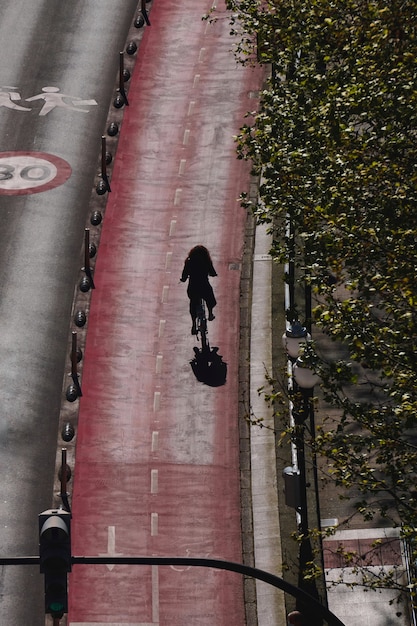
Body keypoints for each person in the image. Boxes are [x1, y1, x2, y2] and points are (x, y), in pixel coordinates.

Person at [180, 245, 217, 334]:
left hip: (193, 287)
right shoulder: (206, 260)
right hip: (204, 285)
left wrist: (183, 279)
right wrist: (213, 274)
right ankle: (210, 314)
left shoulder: (189, 261)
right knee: (210, 299)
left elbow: (184, 274)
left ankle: (193, 324)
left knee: (193, 303)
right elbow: (212, 271)